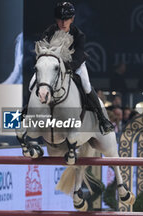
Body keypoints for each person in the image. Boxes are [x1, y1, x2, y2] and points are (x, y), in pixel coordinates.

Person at [29, 2, 114, 134]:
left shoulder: (78, 35)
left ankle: (102, 118)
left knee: (86, 85)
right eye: (60, 19)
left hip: (75, 65)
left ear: (72, 19)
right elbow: (42, 51)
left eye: (67, 19)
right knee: (32, 83)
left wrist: (67, 67)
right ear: (56, 19)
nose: (63, 23)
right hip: (52, 67)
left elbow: (79, 57)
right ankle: (26, 111)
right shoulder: (49, 32)